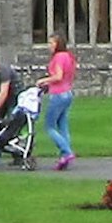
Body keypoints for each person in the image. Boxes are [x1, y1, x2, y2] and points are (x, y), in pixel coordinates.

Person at [40, 37, 78, 171]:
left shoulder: (59, 57)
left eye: (51, 43)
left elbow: (58, 76)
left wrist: (44, 81)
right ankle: (64, 157)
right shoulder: (69, 56)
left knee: (49, 126)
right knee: (63, 125)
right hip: (68, 93)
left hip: (58, 94)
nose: (49, 45)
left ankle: (67, 151)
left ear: (57, 44)